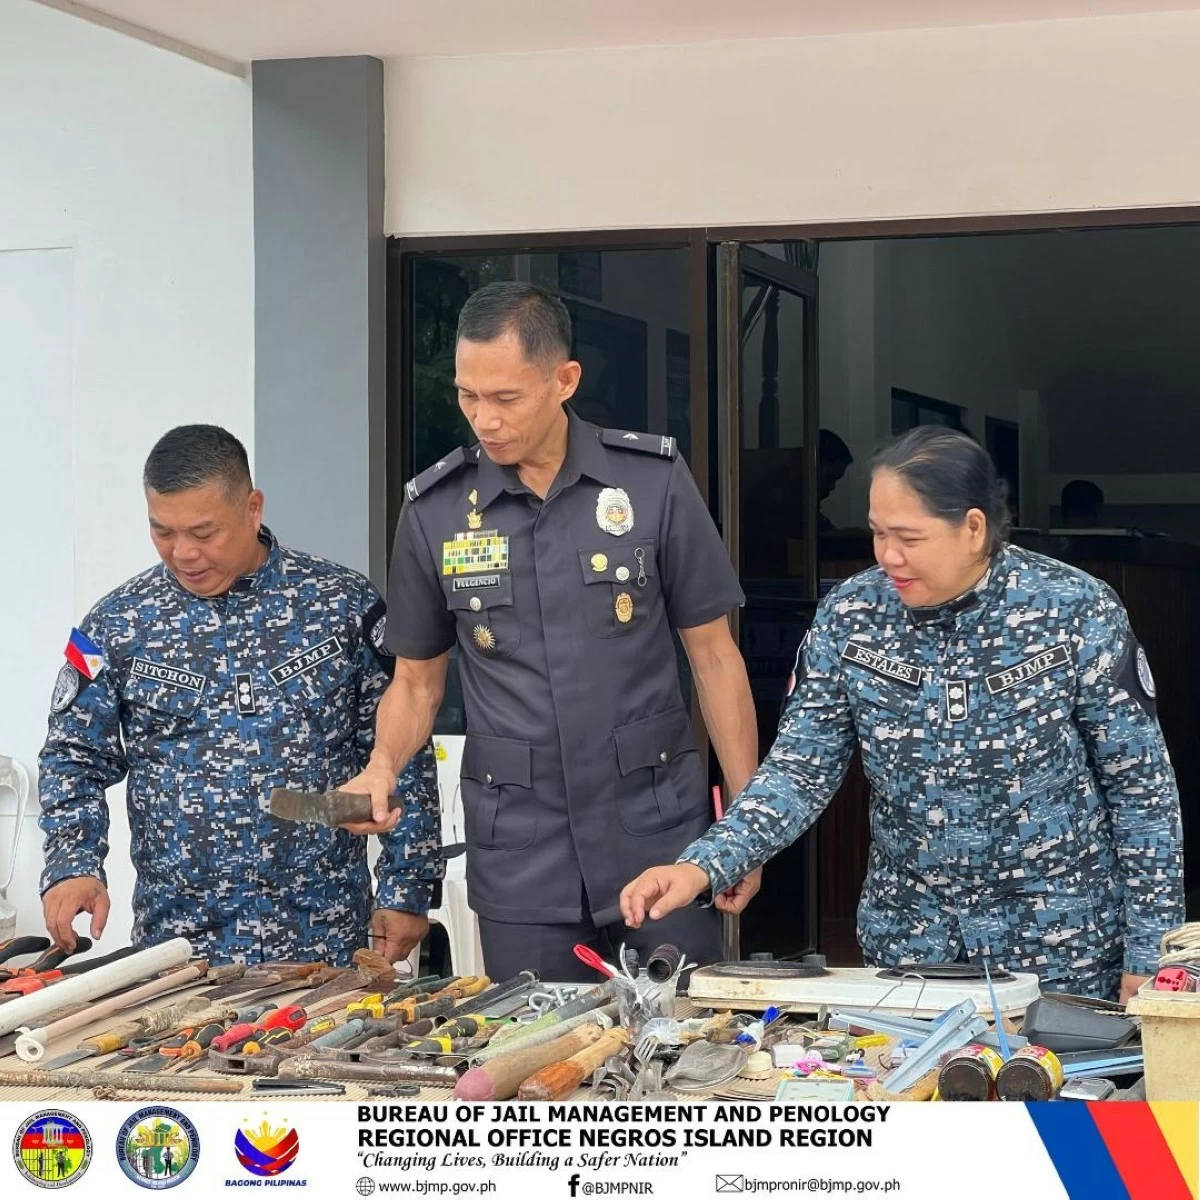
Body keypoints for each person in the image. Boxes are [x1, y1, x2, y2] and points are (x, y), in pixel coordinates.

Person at [622, 425, 1183, 1003]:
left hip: (1061, 947)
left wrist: (1151, 956)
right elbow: (798, 770)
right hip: (911, 946)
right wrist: (702, 866)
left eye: (908, 537)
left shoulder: (1075, 610)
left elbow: (1142, 795)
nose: (888, 556)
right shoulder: (853, 613)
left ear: (973, 528)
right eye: (877, 534)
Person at [343, 282, 760, 981]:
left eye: (506, 398)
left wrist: (745, 826)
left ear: (565, 380)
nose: (484, 419)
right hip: (521, 850)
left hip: (657, 836)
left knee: (679, 1048)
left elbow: (715, 658)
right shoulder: (435, 513)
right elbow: (416, 681)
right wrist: (382, 765)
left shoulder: (650, 485)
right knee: (537, 1058)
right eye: (468, 396)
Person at [37, 425, 442, 965]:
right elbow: (73, 755)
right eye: (163, 532)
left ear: (252, 508)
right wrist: (72, 863)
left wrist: (406, 887)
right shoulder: (114, 624)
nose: (184, 553)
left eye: (205, 532)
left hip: (324, 938)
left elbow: (401, 749)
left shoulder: (342, 605)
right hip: (177, 947)